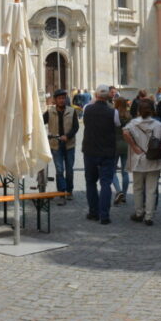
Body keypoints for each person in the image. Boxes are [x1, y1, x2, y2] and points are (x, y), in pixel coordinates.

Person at [124, 98, 161, 225]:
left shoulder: (133, 123)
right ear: (152, 110)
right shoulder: (157, 124)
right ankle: (149, 216)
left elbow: (124, 132)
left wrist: (134, 146)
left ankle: (139, 212)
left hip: (138, 159)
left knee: (138, 188)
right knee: (151, 189)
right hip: (154, 158)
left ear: (139, 110)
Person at [82, 85, 119, 224]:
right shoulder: (113, 112)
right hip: (107, 151)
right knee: (105, 183)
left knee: (90, 182)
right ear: (108, 96)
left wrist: (95, 98)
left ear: (96, 95)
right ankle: (104, 215)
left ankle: (93, 212)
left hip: (90, 150)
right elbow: (117, 124)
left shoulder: (87, 108)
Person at [43, 89, 79, 202]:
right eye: (59, 98)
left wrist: (67, 136)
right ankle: (61, 191)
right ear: (55, 100)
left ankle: (69, 191)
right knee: (59, 170)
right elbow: (40, 123)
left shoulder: (72, 111)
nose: (62, 100)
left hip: (69, 145)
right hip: (55, 145)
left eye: (63, 98)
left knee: (69, 170)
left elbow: (75, 127)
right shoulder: (50, 112)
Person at [112, 96, 133, 205]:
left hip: (114, 144)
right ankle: (124, 194)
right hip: (126, 144)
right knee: (125, 172)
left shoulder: (113, 114)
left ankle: (118, 190)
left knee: (112, 170)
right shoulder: (129, 116)